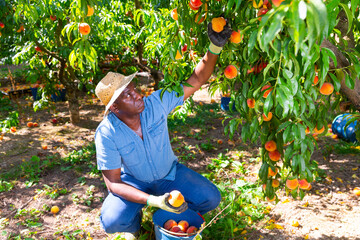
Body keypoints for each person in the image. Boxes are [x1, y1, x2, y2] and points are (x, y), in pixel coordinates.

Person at [94, 22, 232, 239]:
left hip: (170, 174)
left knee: (211, 197)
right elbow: (113, 183)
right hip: (134, 181)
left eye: (134, 90)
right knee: (112, 221)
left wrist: (214, 48)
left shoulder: (154, 104)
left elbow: (196, 80)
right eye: (128, 96)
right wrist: (152, 200)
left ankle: (170, 218)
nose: (138, 95)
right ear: (114, 107)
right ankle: (135, 227)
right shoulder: (107, 133)